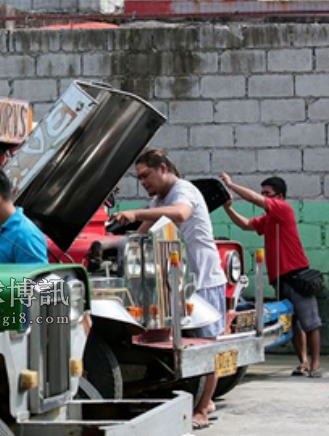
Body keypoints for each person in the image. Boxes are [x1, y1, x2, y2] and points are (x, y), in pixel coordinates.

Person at [111, 148, 227, 431]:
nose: (143, 182)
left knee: (206, 346)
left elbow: (181, 214)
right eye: (139, 179)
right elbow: (141, 235)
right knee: (188, 346)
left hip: (204, 279)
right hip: (183, 280)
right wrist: (104, 245)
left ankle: (202, 409)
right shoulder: (159, 198)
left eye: (145, 176)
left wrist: (135, 212)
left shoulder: (182, 191)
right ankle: (205, 399)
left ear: (162, 168)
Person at [221, 173, 322, 379]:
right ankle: (303, 362)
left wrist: (231, 185)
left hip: (297, 276)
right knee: (292, 323)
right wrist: (227, 208)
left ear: (281, 197)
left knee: (310, 323)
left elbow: (254, 200)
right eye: (263, 193)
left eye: (268, 194)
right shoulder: (269, 220)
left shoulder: (284, 210)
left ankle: (316, 365)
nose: (264, 197)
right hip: (281, 279)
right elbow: (246, 225)